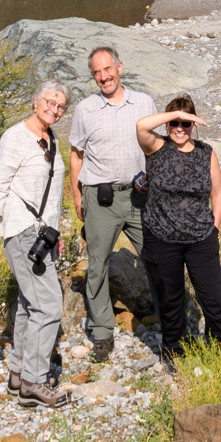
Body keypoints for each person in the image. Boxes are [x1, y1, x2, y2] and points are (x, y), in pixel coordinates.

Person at [0, 81, 73, 409]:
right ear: (35, 101)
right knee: (49, 305)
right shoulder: (14, 137)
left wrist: (55, 235)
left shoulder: (53, 137)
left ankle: (18, 372)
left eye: (60, 106)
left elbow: (52, 197)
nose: (54, 109)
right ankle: (33, 381)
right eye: (49, 102)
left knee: (31, 303)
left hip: (43, 236)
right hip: (19, 231)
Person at [67, 45, 155, 362]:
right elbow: (76, 154)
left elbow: (154, 148)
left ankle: (172, 323)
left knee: (158, 257)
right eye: (97, 72)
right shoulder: (85, 110)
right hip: (99, 196)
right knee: (97, 265)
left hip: (138, 195)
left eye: (108, 69)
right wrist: (77, 195)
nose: (104, 76)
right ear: (93, 76)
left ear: (120, 66)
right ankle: (103, 333)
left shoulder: (144, 102)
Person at [134, 94, 221, 359]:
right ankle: (174, 353)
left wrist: (214, 226)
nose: (180, 128)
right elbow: (141, 126)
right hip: (162, 237)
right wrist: (179, 114)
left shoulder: (205, 152)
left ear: (193, 126)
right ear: (166, 125)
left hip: (201, 237)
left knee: (213, 298)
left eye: (186, 124)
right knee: (171, 299)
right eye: (174, 123)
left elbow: (218, 192)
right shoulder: (156, 147)